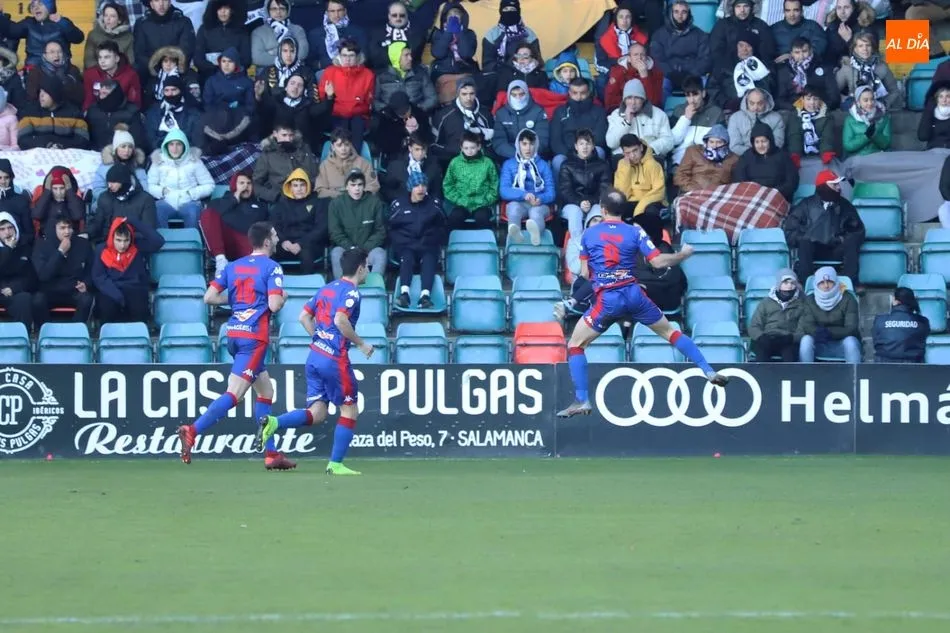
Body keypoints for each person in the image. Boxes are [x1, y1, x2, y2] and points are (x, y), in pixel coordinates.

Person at [557, 188, 728, 418]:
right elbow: (657, 262)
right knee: (670, 332)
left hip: (608, 299)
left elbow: (586, 273)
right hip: (635, 295)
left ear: (603, 209)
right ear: (624, 210)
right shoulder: (635, 232)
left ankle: (582, 399)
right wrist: (682, 255)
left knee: (576, 345)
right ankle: (707, 370)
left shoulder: (589, 234)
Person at [178, 222, 293, 469]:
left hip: (234, 335)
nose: (276, 237)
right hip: (254, 339)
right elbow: (273, 305)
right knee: (234, 394)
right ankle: (193, 430)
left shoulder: (234, 266)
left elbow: (209, 297)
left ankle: (271, 455)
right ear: (266, 242)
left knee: (266, 392)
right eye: (274, 235)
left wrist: (239, 301)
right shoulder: (273, 268)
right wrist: (283, 298)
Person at [254, 246, 372, 476]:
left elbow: (303, 316)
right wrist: (360, 343)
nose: (367, 271)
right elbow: (340, 320)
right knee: (350, 410)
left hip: (315, 357)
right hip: (334, 360)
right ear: (360, 268)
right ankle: (335, 464)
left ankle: (274, 423)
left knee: (317, 413)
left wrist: (319, 339)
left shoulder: (326, 289)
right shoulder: (352, 293)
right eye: (367, 266)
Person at [784, 169, 864, 281]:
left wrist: (842, 239)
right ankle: (806, 283)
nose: (839, 187)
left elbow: (858, 231)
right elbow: (790, 231)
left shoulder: (845, 206)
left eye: (838, 184)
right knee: (805, 242)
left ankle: (850, 283)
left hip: (837, 249)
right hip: (813, 251)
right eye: (834, 184)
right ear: (824, 186)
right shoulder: (805, 205)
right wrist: (808, 238)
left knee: (851, 242)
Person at [91, 217, 165, 323]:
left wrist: (134, 222)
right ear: (112, 237)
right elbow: (98, 277)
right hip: (111, 288)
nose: (122, 245)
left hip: (135, 288)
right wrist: (117, 295)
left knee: (139, 307)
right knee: (106, 305)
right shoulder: (101, 250)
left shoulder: (137, 246)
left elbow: (158, 241)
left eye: (126, 240)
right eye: (118, 240)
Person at [389, 171, 445, 309]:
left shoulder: (434, 204)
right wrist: (404, 242)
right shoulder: (399, 205)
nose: (421, 188)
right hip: (406, 245)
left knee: (429, 259)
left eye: (423, 185)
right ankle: (404, 295)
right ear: (410, 187)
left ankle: (425, 297)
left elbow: (442, 227)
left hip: (427, 244)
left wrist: (430, 240)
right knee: (406, 257)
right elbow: (391, 228)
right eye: (416, 185)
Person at [200, 171, 268, 275]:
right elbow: (212, 215)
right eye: (241, 183)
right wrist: (234, 198)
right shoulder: (220, 201)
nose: (246, 186)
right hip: (225, 242)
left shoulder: (260, 205)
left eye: (249, 183)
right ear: (233, 185)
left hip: (247, 241)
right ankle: (221, 261)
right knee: (208, 213)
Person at [32, 215, 95, 325]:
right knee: (37, 300)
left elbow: (92, 269)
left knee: (86, 299)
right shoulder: (42, 245)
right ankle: (46, 332)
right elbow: (43, 275)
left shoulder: (83, 244)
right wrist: (60, 252)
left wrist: (86, 283)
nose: (67, 231)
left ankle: (76, 332)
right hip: (50, 290)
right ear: (54, 229)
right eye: (62, 228)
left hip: (74, 289)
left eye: (69, 227)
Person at [146, 128, 215, 228]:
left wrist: (192, 193)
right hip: (166, 201)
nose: (175, 148)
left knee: (193, 211)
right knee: (156, 210)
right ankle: (162, 243)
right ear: (166, 146)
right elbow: (150, 185)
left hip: (189, 202)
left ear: (184, 146)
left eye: (178, 144)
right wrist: (162, 191)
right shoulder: (158, 161)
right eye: (171, 144)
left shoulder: (194, 161)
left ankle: (192, 242)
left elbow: (210, 185)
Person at [500, 129, 555, 245]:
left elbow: (551, 192)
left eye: (531, 144)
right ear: (518, 145)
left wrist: (540, 199)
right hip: (519, 201)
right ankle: (515, 236)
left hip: (540, 204)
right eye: (524, 144)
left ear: (536, 145)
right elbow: (504, 190)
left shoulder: (543, 165)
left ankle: (536, 236)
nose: (528, 148)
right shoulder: (509, 164)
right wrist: (523, 195)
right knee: (514, 208)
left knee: (535, 213)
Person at [329, 169, 387, 279]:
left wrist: (364, 249)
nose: (357, 188)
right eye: (353, 184)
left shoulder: (375, 203)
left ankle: (373, 289)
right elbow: (335, 232)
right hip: (346, 250)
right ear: (346, 186)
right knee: (336, 253)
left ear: (364, 186)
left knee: (380, 254)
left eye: (360, 184)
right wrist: (351, 248)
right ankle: (342, 288)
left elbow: (380, 231)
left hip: (368, 250)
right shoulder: (336, 204)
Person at [797, 265, 861, 363]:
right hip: (819, 342)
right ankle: (806, 375)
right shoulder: (809, 300)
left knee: (850, 342)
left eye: (830, 282)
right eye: (821, 282)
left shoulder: (848, 298)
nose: (826, 286)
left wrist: (828, 332)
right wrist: (818, 333)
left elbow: (851, 328)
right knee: (806, 340)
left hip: (841, 344)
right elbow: (807, 325)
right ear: (816, 284)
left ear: (836, 282)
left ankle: (855, 375)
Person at [317, 39, 374, 148]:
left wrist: (354, 108)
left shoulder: (368, 74)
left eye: (351, 55)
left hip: (358, 115)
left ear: (357, 56)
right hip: (336, 114)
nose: (347, 59)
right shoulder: (330, 71)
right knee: (341, 130)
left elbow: (369, 102)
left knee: (357, 123)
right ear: (339, 56)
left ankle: (355, 162)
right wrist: (329, 96)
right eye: (344, 55)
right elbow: (321, 98)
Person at [270, 168, 328, 273]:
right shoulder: (281, 205)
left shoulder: (317, 203)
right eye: (295, 185)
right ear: (290, 187)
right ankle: (276, 285)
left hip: (309, 243)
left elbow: (320, 228)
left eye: (302, 185)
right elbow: (275, 226)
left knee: (306, 254)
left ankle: (307, 286)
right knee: (268, 252)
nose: (299, 188)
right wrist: (284, 242)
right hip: (286, 243)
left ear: (308, 186)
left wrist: (301, 243)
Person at [649, 1, 711, 99]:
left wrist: (692, 72)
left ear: (689, 14)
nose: (680, 16)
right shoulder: (659, 35)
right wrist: (670, 73)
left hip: (693, 73)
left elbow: (705, 59)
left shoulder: (700, 35)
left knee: (704, 83)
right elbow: (657, 59)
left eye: (684, 12)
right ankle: (661, 112)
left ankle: (702, 112)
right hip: (669, 74)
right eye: (676, 12)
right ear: (671, 13)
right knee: (661, 85)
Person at [557, 129, 611, 238]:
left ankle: (594, 247)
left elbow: (604, 189)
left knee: (597, 215)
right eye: (581, 144)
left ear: (593, 146)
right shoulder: (566, 165)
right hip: (571, 204)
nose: (585, 147)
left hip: (595, 203)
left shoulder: (602, 165)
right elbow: (565, 191)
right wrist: (579, 202)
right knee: (575, 213)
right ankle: (577, 251)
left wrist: (590, 202)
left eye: (588, 143)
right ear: (576, 146)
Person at [430, 77, 495, 167]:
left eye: (471, 94)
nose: (468, 98)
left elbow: (492, 143)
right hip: (452, 165)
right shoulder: (444, 116)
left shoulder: (485, 114)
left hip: (481, 164)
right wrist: (457, 151)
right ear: (457, 94)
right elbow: (433, 145)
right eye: (464, 94)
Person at [443, 131, 498, 231]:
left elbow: (494, 185)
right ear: (461, 148)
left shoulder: (487, 163)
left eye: (472, 148)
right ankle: (452, 245)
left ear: (479, 146)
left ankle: (486, 244)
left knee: (482, 218)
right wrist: (458, 200)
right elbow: (448, 185)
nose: (469, 151)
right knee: (454, 218)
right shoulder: (455, 163)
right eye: (466, 148)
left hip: (482, 203)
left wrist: (486, 200)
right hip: (461, 203)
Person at [605, 78, 674, 160]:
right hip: (625, 159)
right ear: (624, 100)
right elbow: (611, 143)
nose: (633, 102)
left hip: (650, 158)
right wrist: (626, 122)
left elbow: (668, 141)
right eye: (629, 98)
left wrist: (648, 149)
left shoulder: (659, 114)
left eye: (637, 98)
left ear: (643, 99)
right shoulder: (616, 115)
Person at [90, 164, 158, 245]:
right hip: (107, 243)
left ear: (124, 181)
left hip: (134, 244)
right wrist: (86, 233)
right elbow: (97, 222)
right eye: (108, 182)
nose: (109, 185)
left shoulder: (145, 199)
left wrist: (123, 238)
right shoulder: (105, 197)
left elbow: (148, 230)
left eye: (114, 182)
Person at [731, 121, 798, 202]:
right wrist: (754, 193)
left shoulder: (782, 156)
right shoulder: (746, 157)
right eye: (757, 142)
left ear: (770, 141)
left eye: (764, 141)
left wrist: (772, 193)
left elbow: (792, 181)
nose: (760, 145)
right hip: (752, 198)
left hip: (777, 197)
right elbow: (739, 180)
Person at [834, 31, 900, 112]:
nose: (865, 49)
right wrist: (845, 100)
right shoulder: (847, 68)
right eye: (860, 46)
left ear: (872, 48)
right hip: (854, 110)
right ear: (855, 49)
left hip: (876, 107)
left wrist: (884, 104)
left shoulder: (882, 67)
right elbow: (834, 91)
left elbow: (894, 91)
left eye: (868, 45)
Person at [18, 78, 89, 151]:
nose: (41, 95)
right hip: (38, 155)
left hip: (66, 155)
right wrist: (46, 144)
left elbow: (82, 140)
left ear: (55, 94)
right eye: (40, 91)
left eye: (45, 92)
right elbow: (23, 139)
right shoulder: (30, 112)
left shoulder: (74, 113)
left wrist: (61, 145)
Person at [551, 79, 608, 169]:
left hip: (590, 151)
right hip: (567, 153)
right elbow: (555, 140)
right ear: (569, 92)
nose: (579, 97)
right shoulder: (560, 111)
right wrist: (571, 154)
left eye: (583, 93)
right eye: (575, 93)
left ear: (588, 92)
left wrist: (584, 151)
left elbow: (600, 138)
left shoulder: (599, 111)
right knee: (558, 161)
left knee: (600, 151)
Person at [669, 75, 725, 167]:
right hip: (680, 161)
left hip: (706, 161)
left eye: (695, 94)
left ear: (703, 93)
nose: (692, 100)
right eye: (688, 95)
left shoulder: (716, 112)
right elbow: (673, 141)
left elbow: (720, 143)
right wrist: (685, 119)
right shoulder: (678, 110)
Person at [9, 0, 84, 67]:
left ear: (50, 7)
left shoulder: (61, 22)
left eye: (40, 4)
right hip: (33, 70)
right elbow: (10, 31)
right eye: (33, 5)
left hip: (59, 69)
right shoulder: (28, 23)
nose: (36, 8)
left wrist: (63, 23)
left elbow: (78, 38)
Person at [749, 268, 803, 361]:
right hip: (767, 338)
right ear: (779, 284)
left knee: (789, 354)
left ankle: (788, 376)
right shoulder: (766, 303)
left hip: (788, 340)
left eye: (792, 283)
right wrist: (761, 337)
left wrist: (791, 338)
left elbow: (803, 329)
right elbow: (754, 326)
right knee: (761, 351)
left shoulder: (802, 304)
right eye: (785, 283)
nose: (789, 286)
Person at [133, 0, 196, 78]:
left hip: (178, 73)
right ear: (151, 4)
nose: (161, 4)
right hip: (150, 74)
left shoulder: (183, 21)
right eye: (156, 0)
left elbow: (187, 49)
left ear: (170, 2)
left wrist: (170, 65)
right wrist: (156, 67)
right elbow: (139, 53)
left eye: (165, 0)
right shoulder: (141, 24)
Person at [773, 37, 838, 112]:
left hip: (819, 108)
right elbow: (780, 99)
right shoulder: (784, 70)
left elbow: (834, 97)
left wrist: (819, 106)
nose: (801, 56)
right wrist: (798, 108)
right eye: (797, 52)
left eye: (804, 51)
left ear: (810, 51)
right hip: (794, 110)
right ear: (791, 54)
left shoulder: (823, 66)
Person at [194, 0, 251, 84]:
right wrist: (217, 69)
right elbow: (198, 59)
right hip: (209, 76)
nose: (223, 12)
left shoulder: (242, 30)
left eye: (226, 8)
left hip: (235, 77)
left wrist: (229, 68)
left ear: (232, 10)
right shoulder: (204, 29)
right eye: (219, 8)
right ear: (213, 10)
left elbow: (246, 60)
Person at [492, 79, 550, 161]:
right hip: (509, 158)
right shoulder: (501, 113)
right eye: (514, 95)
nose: (518, 98)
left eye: (521, 94)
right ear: (509, 95)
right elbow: (499, 141)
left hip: (534, 157)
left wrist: (527, 153)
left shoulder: (538, 111)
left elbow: (542, 139)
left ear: (527, 94)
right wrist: (516, 155)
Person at [306, 0, 368, 73]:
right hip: (326, 72)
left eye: (339, 10)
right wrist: (329, 62)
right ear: (327, 12)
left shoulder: (357, 32)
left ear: (345, 11)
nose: (336, 15)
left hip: (352, 72)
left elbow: (364, 56)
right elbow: (310, 63)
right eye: (332, 11)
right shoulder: (315, 34)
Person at [674, 124, 738, 194]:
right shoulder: (693, 151)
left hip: (717, 195)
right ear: (706, 142)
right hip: (692, 192)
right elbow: (680, 175)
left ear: (726, 143)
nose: (714, 146)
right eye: (711, 142)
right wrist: (692, 189)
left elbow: (735, 184)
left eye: (719, 142)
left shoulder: (733, 159)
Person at [613, 134, 666, 218]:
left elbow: (658, 193)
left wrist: (639, 209)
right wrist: (627, 170)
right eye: (628, 153)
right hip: (630, 201)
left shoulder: (653, 165)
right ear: (623, 153)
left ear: (641, 147)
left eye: (635, 150)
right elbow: (622, 194)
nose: (632, 156)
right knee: (615, 211)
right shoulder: (622, 165)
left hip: (650, 202)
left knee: (650, 212)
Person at [85, 81, 147, 152]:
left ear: (115, 94)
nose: (101, 97)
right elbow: (87, 135)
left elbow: (138, 140)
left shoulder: (131, 112)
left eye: (105, 93)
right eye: (100, 93)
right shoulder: (93, 110)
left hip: (122, 154)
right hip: (93, 153)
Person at [0, 212, 37, 331]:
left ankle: (20, 338)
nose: (7, 232)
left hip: (15, 292)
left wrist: (13, 289)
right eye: (2, 229)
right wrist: (8, 250)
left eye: (10, 228)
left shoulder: (25, 249)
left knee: (24, 299)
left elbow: (31, 277)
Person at [82, 40, 142, 112]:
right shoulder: (90, 74)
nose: (102, 61)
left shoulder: (131, 75)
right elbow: (89, 100)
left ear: (117, 58)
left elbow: (135, 101)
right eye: (100, 57)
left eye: (107, 57)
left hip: (122, 114)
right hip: (98, 115)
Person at [873, 287, 929, 364]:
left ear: (895, 301)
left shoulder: (880, 320)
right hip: (914, 368)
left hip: (883, 366)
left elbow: (876, 343)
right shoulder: (923, 321)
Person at [482, 0, 540, 75]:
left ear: (518, 11)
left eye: (512, 9)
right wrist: (505, 70)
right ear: (500, 11)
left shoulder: (529, 34)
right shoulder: (492, 34)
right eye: (505, 9)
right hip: (499, 75)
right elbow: (487, 64)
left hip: (525, 75)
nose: (509, 12)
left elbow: (537, 60)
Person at [381, 133, 442, 202]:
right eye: (417, 149)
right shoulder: (396, 165)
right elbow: (387, 189)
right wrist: (402, 200)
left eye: (423, 149)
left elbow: (437, 192)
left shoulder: (433, 167)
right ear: (410, 148)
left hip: (426, 207)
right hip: (403, 206)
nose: (420, 153)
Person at [787, 83, 836, 168]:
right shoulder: (795, 115)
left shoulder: (827, 116)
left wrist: (826, 152)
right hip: (801, 155)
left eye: (815, 99)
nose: (812, 102)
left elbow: (827, 137)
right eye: (808, 99)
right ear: (802, 100)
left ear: (820, 100)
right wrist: (795, 154)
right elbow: (794, 136)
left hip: (821, 155)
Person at [605, 42, 664, 112]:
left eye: (642, 55)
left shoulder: (656, 73)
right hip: (623, 111)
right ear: (629, 58)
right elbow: (610, 101)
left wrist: (645, 77)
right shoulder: (618, 72)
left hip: (646, 113)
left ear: (646, 58)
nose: (639, 58)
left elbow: (654, 103)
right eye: (635, 55)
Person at [25, 40, 84, 108]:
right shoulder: (35, 72)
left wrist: (65, 80)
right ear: (44, 56)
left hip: (69, 110)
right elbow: (31, 97)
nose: (56, 55)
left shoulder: (73, 69)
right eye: (52, 52)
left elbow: (80, 97)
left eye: (59, 52)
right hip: (44, 112)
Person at [250, 0, 308, 69]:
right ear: (268, 11)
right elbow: (257, 58)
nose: (278, 12)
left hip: (295, 70)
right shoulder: (258, 32)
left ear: (287, 11)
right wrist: (289, 54)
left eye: (282, 8)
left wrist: (273, 52)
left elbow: (302, 53)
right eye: (274, 9)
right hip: (268, 71)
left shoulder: (297, 30)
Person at [726, 88, 785, 155]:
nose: (755, 107)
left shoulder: (776, 118)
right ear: (746, 102)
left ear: (765, 102)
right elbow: (735, 146)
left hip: (769, 157)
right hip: (743, 157)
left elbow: (778, 143)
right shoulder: (735, 118)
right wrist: (754, 154)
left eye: (760, 103)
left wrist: (762, 154)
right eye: (752, 103)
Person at [842, 84, 891, 157]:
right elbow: (848, 146)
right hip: (857, 159)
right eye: (865, 100)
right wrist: (866, 137)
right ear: (858, 102)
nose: (870, 103)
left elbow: (886, 144)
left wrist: (874, 135)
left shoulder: (883, 117)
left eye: (872, 99)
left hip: (878, 157)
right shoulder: (850, 120)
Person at [84, 2, 135, 70]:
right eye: (106, 15)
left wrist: (114, 72)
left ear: (119, 20)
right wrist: (105, 72)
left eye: (112, 16)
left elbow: (130, 61)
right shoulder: (93, 35)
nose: (108, 19)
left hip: (120, 74)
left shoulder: (128, 37)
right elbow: (89, 61)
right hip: (97, 73)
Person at [919, 81, 950, 150]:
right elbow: (922, 136)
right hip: (933, 150)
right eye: (941, 96)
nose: (944, 100)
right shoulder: (930, 113)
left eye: (947, 96)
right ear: (937, 99)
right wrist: (928, 112)